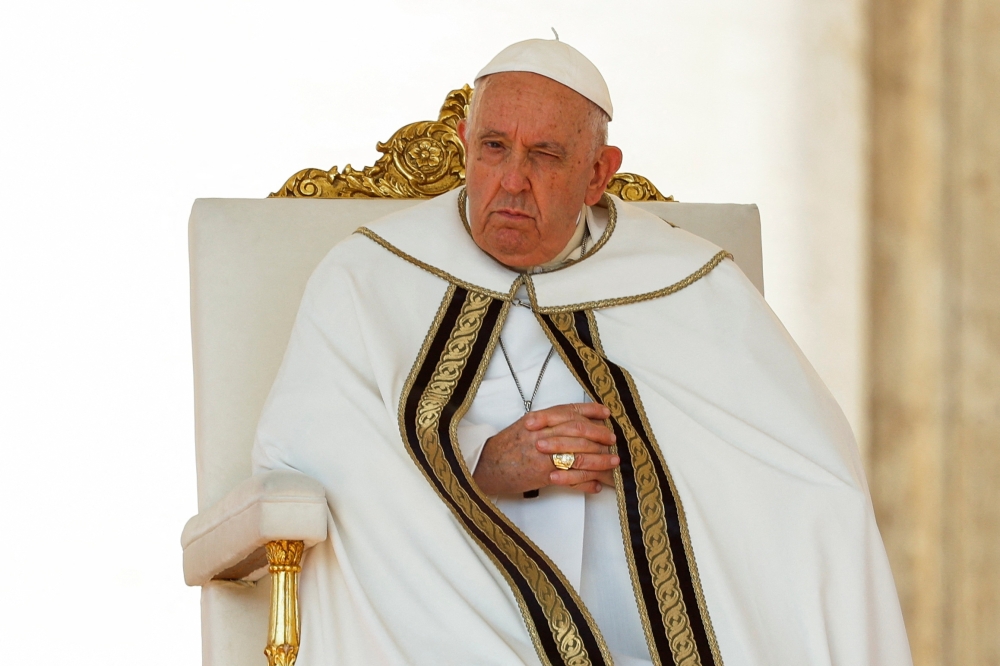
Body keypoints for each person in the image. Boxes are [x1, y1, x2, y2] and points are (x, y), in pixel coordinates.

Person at [252, 38, 912, 665]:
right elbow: (313, 452)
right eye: (492, 147)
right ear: (463, 148)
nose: (511, 181)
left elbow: (805, 475)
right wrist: (484, 462)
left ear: (599, 173)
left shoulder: (688, 283)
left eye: (543, 155)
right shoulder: (366, 278)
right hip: (434, 631)